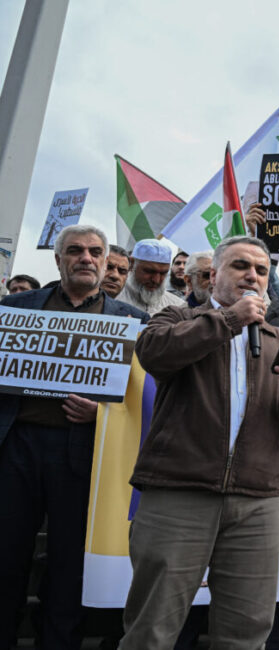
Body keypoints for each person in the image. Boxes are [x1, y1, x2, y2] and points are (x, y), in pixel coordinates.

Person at [118, 235, 279, 648]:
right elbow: (153, 353)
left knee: (246, 632)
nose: (252, 276)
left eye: (261, 270)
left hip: (256, 503)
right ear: (213, 276)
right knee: (152, 629)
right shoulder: (176, 317)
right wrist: (229, 320)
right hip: (179, 493)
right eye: (240, 266)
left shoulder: (278, 339)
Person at [0, 225, 148, 649]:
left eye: (95, 252)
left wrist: (103, 414)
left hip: (83, 452)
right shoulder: (14, 308)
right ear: (58, 259)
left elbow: (143, 397)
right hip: (16, 446)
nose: (86, 258)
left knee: (69, 562)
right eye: (76, 250)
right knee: (6, 555)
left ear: (105, 261)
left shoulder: (134, 322)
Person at [119, 238, 186, 314]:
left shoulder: (178, 306)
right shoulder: (113, 298)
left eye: (163, 273)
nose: (156, 280)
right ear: (131, 264)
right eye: (149, 271)